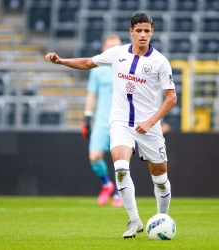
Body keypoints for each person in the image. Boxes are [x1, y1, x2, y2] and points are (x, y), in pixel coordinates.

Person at [45, 12, 177, 239]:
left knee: (161, 179)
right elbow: (88, 62)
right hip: (120, 122)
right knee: (121, 167)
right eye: (139, 31)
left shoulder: (160, 62)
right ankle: (134, 220)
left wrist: (151, 122)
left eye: (147, 31)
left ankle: (161, 219)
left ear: (152, 32)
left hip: (149, 126)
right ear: (131, 32)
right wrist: (62, 61)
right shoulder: (117, 54)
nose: (143, 35)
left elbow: (171, 98)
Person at [81, 35, 123, 207]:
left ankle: (120, 193)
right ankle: (107, 184)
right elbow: (92, 94)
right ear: (104, 50)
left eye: (117, 47)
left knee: (120, 158)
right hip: (101, 120)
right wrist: (87, 117)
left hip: (121, 120)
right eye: (110, 48)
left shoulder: (129, 68)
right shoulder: (97, 69)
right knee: (94, 157)